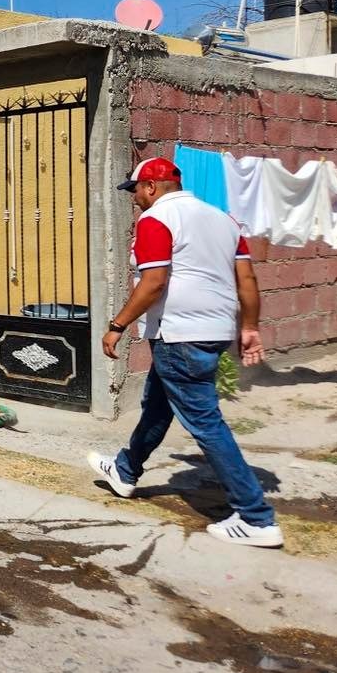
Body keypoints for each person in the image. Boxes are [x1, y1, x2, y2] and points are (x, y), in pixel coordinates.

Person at [87, 156, 282, 548]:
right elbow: (246, 279)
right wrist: (249, 327)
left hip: (180, 334)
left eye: (136, 190)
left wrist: (117, 325)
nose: (135, 199)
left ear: (151, 187)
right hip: (213, 331)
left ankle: (255, 518)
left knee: (205, 422)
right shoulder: (225, 221)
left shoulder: (157, 219)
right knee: (158, 405)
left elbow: (154, 282)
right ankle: (125, 470)